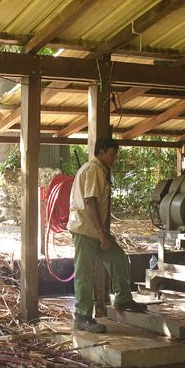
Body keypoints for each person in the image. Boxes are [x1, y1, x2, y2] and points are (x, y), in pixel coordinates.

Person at [68, 138, 145, 333]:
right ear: (101, 152)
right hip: (85, 229)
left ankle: (123, 298)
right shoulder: (93, 169)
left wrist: (102, 232)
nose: (114, 159)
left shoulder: (98, 169)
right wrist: (101, 231)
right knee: (85, 272)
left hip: (93, 229)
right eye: (111, 154)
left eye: (115, 155)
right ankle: (82, 316)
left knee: (117, 257)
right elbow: (90, 201)